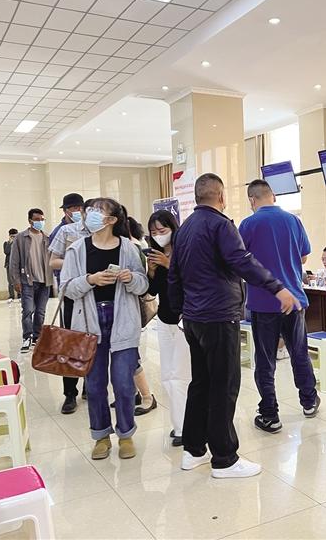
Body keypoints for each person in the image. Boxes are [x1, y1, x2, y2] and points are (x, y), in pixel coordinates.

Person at [168, 173, 300, 478]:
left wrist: (178, 312)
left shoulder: (185, 228)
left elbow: (174, 274)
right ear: (221, 196)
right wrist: (277, 287)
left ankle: (194, 450)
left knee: (200, 384)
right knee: (224, 386)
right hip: (218, 316)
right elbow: (242, 261)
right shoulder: (220, 225)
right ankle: (224, 458)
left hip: (194, 319)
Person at [60, 198, 149, 461]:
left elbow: (143, 285)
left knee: (123, 384)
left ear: (111, 220)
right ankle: (101, 436)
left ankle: (126, 434)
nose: (90, 215)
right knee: (96, 385)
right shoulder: (77, 249)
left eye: (98, 211)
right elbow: (66, 288)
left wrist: (131, 278)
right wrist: (90, 280)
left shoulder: (128, 248)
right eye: (90, 211)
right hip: (89, 323)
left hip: (123, 320)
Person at [238, 179, 320, 434]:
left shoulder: (248, 224)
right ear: (272, 196)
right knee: (299, 353)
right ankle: (309, 401)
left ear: (252, 200)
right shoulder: (294, 220)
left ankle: (270, 414)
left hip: (263, 303)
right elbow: (304, 256)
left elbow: (239, 260)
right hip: (294, 300)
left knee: (265, 360)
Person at [146, 209, 190, 447]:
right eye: (153, 232)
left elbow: (191, 280)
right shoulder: (156, 254)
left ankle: (186, 427)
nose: (158, 235)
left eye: (162, 230)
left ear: (173, 228)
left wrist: (168, 263)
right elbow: (152, 291)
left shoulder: (185, 250)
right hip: (164, 319)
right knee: (168, 376)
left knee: (181, 376)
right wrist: (152, 271)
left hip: (185, 320)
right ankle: (179, 424)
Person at [49, 193, 89, 414]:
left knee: (92, 340)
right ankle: (70, 394)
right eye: (71, 208)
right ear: (65, 211)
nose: (75, 211)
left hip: (93, 293)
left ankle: (89, 386)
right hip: (71, 294)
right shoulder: (63, 231)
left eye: (78, 207)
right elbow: (53, 262)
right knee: (70, 343)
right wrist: (76, 262)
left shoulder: (96, 229)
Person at [9, 208, 53, 353]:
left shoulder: (47, 238)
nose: (40, 222)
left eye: (42, 219)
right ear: (30, 221)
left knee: (40, 312)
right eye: (37, 219)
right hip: (27, 281)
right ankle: (27, 337)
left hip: (44, 281)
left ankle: (37, 337)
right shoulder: (21, 238)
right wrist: (15, 281)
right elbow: (14, 261)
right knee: (28, 310)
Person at [126, 213, 157, 416]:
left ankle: (147, 396)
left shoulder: (133, 247)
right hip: (121, 311)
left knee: (131, 355)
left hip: (133, 308)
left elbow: (144, 282)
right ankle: (135, 393)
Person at [4, 229, 18, 302]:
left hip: (17, 264)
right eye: (12, 236)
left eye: (15, 236)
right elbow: (6, 252)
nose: (14, 238)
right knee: (10, 281)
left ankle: (20, 296)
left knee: (18, 280)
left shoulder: (19, 243)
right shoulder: (6, 243)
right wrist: (10, 243)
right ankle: (11, 296)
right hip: (9, 264)